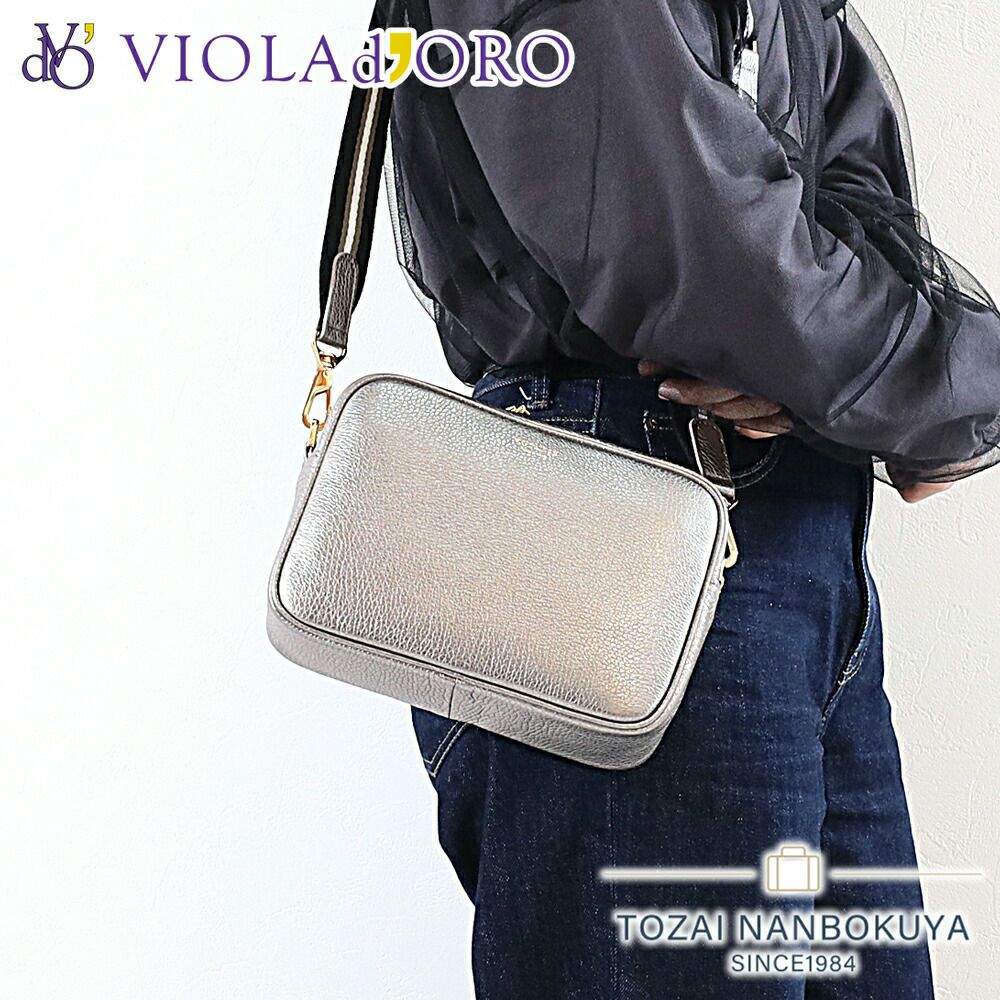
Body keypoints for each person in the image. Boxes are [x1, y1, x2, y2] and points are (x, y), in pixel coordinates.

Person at [384, 1, 1000, 996]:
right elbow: (715, 260)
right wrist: (939, 387)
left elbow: (843, 202)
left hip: (784, 544)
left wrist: (869, 380)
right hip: (620, 529)